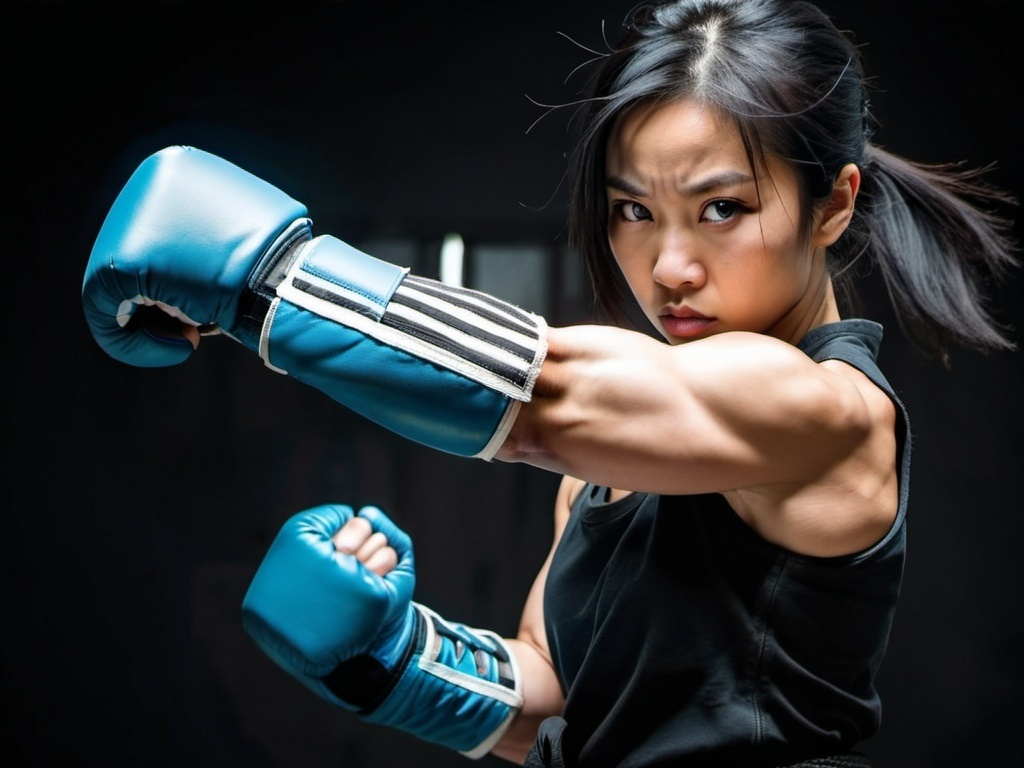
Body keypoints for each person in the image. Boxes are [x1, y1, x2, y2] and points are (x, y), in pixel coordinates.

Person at [81, 0, 1018, 766]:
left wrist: (267, 278)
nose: (670, 265)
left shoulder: (824, 412)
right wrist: (394, 660)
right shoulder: (607, 466)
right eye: (634, 211)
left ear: (834, 205)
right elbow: (555, 696)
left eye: (722, 209)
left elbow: (546, 394)